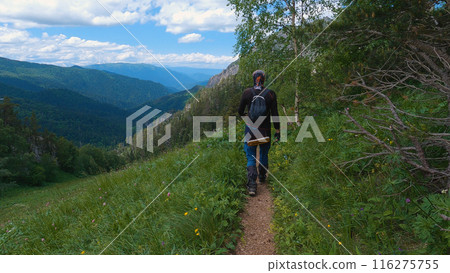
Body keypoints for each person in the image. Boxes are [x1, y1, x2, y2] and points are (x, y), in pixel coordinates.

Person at [238, 70, 280, 196]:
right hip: (265, 131)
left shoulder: (247, 93)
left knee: (250, 156)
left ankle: (252, 185)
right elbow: (275, 115)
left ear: (254, 79)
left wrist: (247, 119)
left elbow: (240, 111)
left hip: (251, 131)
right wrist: (277, 130)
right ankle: (262, 176)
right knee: (263, 154)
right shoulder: (271, 94)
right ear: (264, 79)